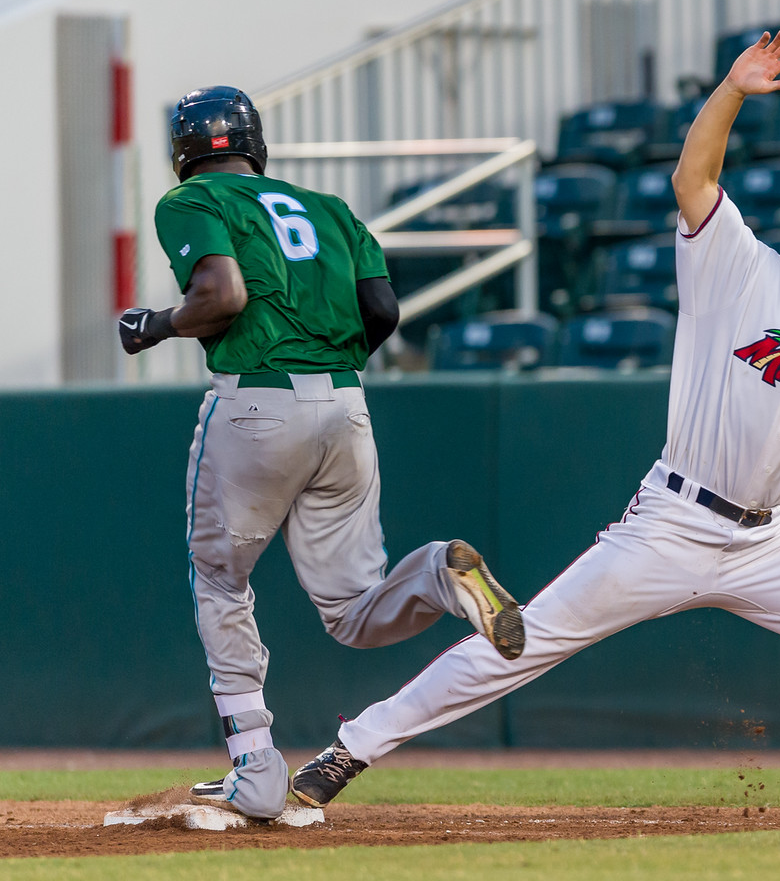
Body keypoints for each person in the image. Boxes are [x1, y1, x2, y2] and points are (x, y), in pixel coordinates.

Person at [290, 31, 780, 821]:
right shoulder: (738, 267)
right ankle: (348, 750)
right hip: (672, 522)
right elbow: (692, 176)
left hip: (771, 541)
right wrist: (732, 90)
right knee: (527, 640)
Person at [118, 86, 526, 821]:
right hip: (345, 403)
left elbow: (224, 294)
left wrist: (154, 324)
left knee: (219, 581)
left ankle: (255, 767)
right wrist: (324, 376)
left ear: (185, 154)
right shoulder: (331, 208)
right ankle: (439, 574)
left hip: (255, 400)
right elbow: (383, 312)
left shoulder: (189, 202)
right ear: (254, 141)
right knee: (352, 608)